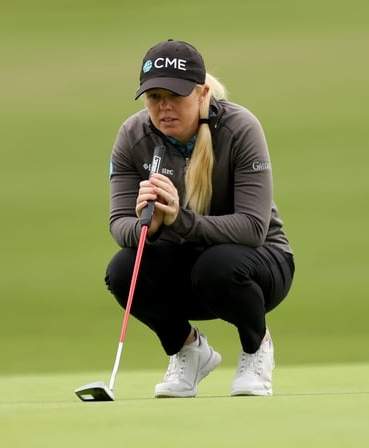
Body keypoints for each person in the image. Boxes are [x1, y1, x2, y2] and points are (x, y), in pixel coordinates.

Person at [104, 39, 295, 397]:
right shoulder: (133, 135)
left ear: (202, 92)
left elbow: (253, 229)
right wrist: (150, 225)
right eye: (154, 97)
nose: (164, 108)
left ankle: (256, 348)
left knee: (217, 265)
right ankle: (188, 350)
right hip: (185, 269)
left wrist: (179, 220)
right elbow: (119, 225)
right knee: (123, 269)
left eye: (175, 96)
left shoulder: (240, 128)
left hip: (258, 266)